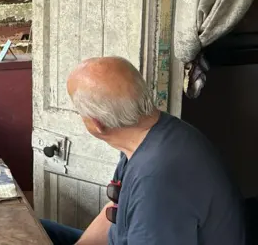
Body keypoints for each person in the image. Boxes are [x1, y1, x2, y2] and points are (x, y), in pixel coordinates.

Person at [41, 56, 245, 245]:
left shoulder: (157, 179)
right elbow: (115, 211)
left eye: (79, 112)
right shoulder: (142, 134)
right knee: (39, 227)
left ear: (97, 124)